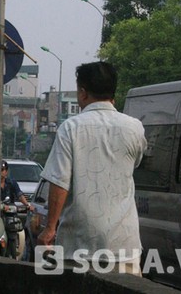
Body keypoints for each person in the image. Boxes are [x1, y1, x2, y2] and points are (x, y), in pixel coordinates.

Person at [37, 62, 147, 276]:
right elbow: (134, 164)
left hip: (79, 244)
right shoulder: (135, 127)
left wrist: (50, 229)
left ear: (83, 92)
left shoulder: (71, 128)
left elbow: (59, 182)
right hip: (124, 246)